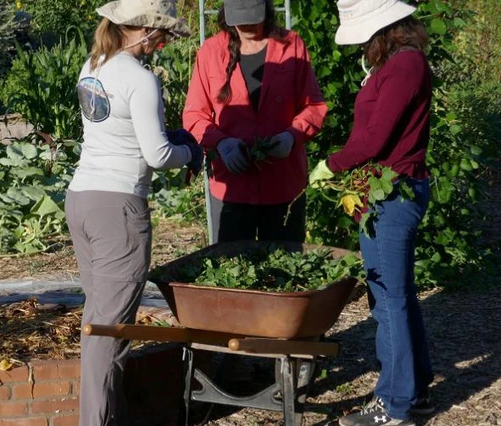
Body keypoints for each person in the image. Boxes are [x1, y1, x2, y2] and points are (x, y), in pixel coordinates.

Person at [65, 1, 201, 425]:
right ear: (141, 29)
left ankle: (113, 416)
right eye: (160, 34)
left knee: (102, 320)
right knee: (107, 332)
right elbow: (158, 155)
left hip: (82, 199)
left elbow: (114, 130)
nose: (161, 43)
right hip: (118, 209)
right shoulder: (141, 79)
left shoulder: (93, 64)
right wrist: (191, 150)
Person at [309, 1, 434, 425]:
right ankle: (414, 390)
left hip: (394, 194)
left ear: (383, 28)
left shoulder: (404, 66)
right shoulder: (396, 65)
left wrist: (331, 164)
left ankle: (394, 405)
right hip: (383, 192)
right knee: (395, 297)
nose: (362, 43)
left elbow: (375, 140)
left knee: (389, 302)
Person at [183, 0, 328, 244]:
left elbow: (314, 106)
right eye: (240, 18)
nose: (247, 24)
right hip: (232, 184)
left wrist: (292, 136)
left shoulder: (291, 45)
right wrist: (221, 143)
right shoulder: (211, 51)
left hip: (283, 182)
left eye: (253, 16)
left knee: (285, 266)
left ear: (266, 10)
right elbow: (194, 114)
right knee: (232, 270)